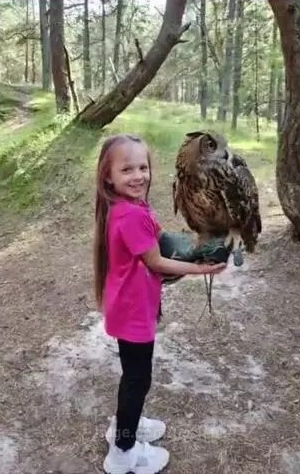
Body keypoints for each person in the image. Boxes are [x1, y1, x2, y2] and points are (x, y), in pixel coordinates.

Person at [93, 134, 227, 474]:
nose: (139, 176)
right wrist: (201, 268)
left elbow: (157, 241)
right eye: (127, 170)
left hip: (128, 306)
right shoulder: (131, 215)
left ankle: (126, 425)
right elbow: (157, 263)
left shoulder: (128, 207)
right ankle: (123, 449)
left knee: (134, 376)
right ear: (108, 176)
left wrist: (196, 243)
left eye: (143, 167)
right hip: (134, 311)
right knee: (138, 379)